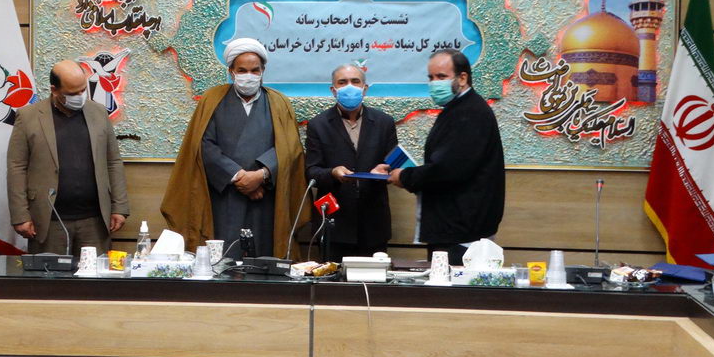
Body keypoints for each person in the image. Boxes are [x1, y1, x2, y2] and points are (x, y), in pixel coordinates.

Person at [161, 37, 306, 257]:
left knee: (264, 258)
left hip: (266, 197)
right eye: (242, 70)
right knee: (223, 258)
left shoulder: (279, 102)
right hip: (224, 196)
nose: (249, 76)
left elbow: (290, 147)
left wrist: (261, 175)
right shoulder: (212, 99)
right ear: (231, 71)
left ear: (263, 71)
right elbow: (203, 145)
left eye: (255, 70)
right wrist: (239, 177)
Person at [374, 48, 505, 259]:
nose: (435, 83)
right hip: (454, 227)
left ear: (462, 78)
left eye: (441, 77)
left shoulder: (470, 113)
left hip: (462, 233)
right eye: (431, 77)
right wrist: (401, 173)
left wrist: (405, 176)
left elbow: (448, 170)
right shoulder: (457, 109)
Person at [6, 60, 129, 254]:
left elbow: (113, 161)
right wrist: (20, 215)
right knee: (50, 273)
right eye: (73, 93)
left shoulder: (98, 112)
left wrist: (119, 207)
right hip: (49, 221)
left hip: (94, 221)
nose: (80, 97)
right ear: (54, 90)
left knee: (95, 273)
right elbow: (16, 166)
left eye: (83, 90)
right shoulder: (28, 116)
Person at [305, 63, 398, 259]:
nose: (349, 86)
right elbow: (311, 171)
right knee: (333, 279)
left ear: (365, 88)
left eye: (355, 81)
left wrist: (386, 172)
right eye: (342, 82)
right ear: (333, 90)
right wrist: (332, 173)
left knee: (374, 278)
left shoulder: (384, 122)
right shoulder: (318, 125)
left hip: (374, 223)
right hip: (334, 224)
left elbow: (394, 166)